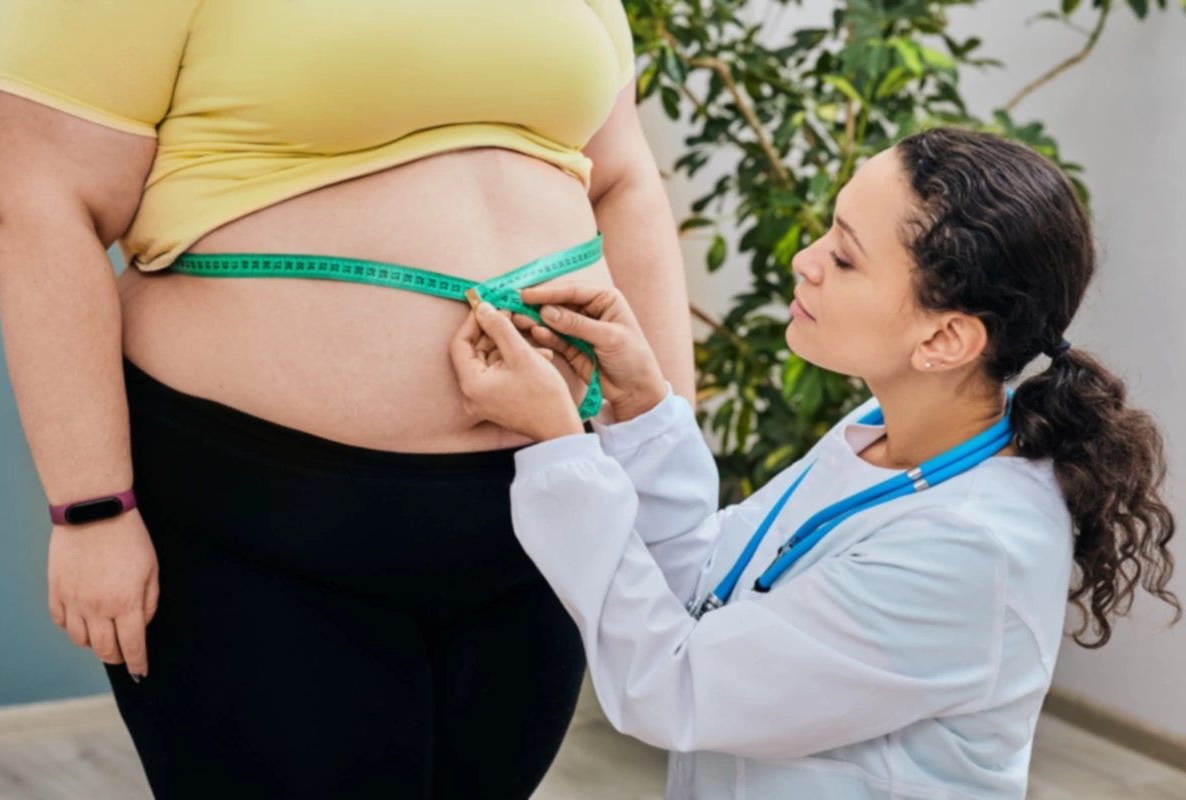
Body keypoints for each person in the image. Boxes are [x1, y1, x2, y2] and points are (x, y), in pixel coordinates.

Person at [0, 1, 694, 797]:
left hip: (546, 514)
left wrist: (663, 453)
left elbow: (625, 179)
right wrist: (92, 510)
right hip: (254, 520)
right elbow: (39, 198)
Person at [450, 127, 1180, 799]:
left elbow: (677, 688)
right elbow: (710, 587)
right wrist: (640, 407)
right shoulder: (884, 433)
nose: (804, 260)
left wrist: (558, 443)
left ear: (946, 338)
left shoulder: (973, 548)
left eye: (845, 256)